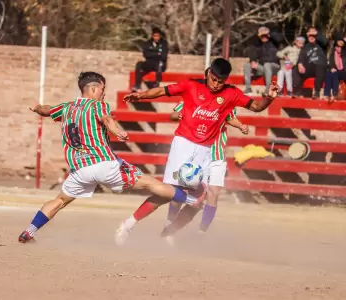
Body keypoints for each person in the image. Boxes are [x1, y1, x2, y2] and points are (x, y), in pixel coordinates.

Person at [18, 72, 204, 243]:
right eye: (102, 89)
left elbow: (48, 110)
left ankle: (29, 231)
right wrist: (118, 131)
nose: (103, 94)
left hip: (79, 171)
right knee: (152, 184)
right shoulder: (98, 106)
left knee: (59, 201)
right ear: (93, 88)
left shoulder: (66, 108)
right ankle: (191, 201)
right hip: (104, 165)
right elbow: (107, 120)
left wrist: (37, 108)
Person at [115, 58, 279, 246]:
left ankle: (168, 232)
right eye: (214, 79)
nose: (216, 84)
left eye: (221, 81)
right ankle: (128, 224)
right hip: (183, 145)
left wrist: (270, 98)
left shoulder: (231, 93)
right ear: (209, 73)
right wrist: (140, 96)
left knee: (198, 201)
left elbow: (257, 107)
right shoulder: (191, 86)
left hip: (205, 151)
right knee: (167, 193)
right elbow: (162, 91)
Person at [162, 103, 248, 244]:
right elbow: (173, 114)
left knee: (212, 194)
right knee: (180, 192)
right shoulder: (194, 96)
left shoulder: (226, 101)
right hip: (195, 153)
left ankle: (200, 233)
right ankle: (168, 226)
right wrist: (177, 115)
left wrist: (240, 126)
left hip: (216, 156)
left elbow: (231, 118)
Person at [243, 27, 282, 95]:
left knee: (267, 65)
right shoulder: (258, 45)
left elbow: (280, 38)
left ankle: (268, 90)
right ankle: (248, 88)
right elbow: (251, 50)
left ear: (268, 35)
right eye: (262, 36)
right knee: (246, 65)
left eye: (265, 35)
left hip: (274, 67)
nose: (264, 37)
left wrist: (269, 33)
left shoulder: (274, 43)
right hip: (264, 68)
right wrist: (253, 61)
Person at [292, 27, 328, 99]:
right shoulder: (305, 47)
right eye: (310, 35)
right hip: (309, 68)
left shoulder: (321, 45)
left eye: (313, 35)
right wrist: (300, 63)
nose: (312, 37)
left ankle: (317, 92)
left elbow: (325, 41)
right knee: (295, 68)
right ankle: (297, 92)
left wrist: (316, 33)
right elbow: (301, 56)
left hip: (319, 69)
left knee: (319, 65)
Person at [132, 27, 168, 92]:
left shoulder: (163, 43)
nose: (156, 38)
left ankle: (156, 85)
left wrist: (152, 53)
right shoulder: (148, 43)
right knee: (139, 64)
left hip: (159, 63)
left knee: (159, 65)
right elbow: (145, 54)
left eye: (158, 36)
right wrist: (157, 53)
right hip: (149, 62)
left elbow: (163, 56)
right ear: (152, 36)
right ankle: (137, 85)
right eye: (155, 36)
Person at [324, 35, 346, 102]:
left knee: (335, 73)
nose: (340, 42)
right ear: (336, 42)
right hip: (336, 72)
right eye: (339, 41)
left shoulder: (345, 51)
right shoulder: (333, 51)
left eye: (342, 41)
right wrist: (331, 68)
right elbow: (331, 63)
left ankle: (334, 94)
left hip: (344, 72)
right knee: (328, 73)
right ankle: (327, 95)